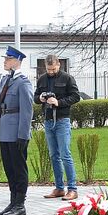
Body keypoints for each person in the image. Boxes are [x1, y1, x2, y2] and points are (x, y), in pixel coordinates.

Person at [0, 46, 34, 215]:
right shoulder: (4, 81)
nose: (5, 61)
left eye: (8, 59)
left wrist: (23, 134)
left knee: (18, 168)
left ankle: (20, 204)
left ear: (16, 62)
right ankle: (13, 201)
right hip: (4, 130)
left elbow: (27, 111)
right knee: (9, 168)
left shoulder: (23, 82)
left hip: (16, 132)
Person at [34, 54, 80, 201]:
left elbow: (76, 96)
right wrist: (40, 98)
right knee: (54, 155)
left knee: (65, 154)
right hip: (48, 121)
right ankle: (59, 188)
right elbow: (35, 97)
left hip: (62, 120)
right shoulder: (42, 79)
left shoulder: (67, 78)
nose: (51, 71)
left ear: (58, 64)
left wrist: (58, 102)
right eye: (48, 69)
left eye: (53, 69)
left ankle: (72, 189)